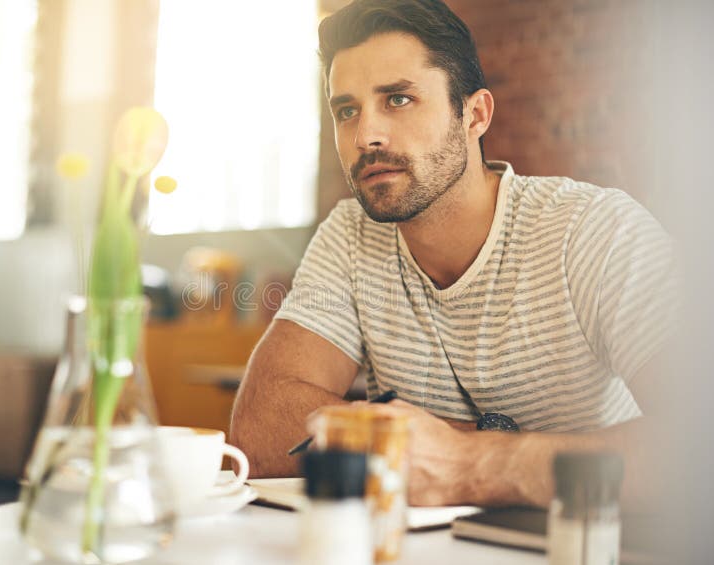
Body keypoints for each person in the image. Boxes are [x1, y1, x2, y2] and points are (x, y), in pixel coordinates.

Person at [230, 0, 678, 507]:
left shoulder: (594, 230)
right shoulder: (352, 236)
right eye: (346, 110)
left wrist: (470, 465)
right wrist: (470, 445)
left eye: (397, 99)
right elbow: (261, 430)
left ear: (475, 114)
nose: (365, 135)